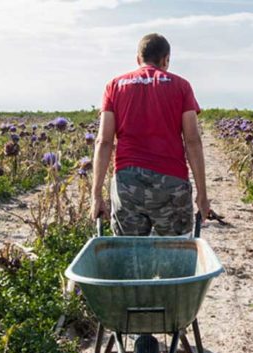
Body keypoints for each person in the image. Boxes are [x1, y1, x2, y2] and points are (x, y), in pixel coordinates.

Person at [89, 33, 209, 236]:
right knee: (176, 253)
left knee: (129, 255)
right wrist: (202, 194)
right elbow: (192, 140)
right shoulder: (182, 86)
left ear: (138, 59)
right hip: (172, 182)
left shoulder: (114, 86)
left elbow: (104, 141)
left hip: (127, 184)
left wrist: (96, 194)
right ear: (166, 60)